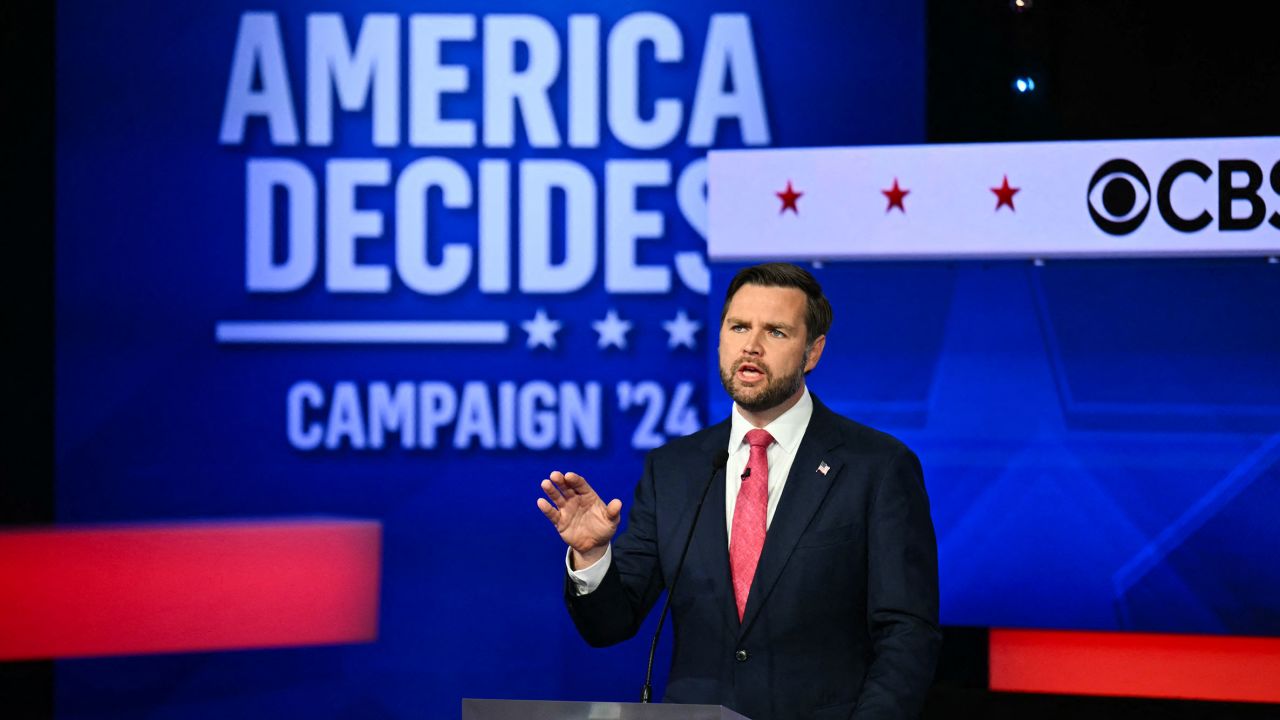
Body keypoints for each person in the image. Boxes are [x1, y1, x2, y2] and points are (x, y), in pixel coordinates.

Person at [537, 263, 940, 720]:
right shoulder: (674, 469)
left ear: (813, 352)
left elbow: (907, 634)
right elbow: (610, 625)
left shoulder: (878, 466)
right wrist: (592, 557)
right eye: (739, 326)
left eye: (777, 332)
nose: (751, 345)